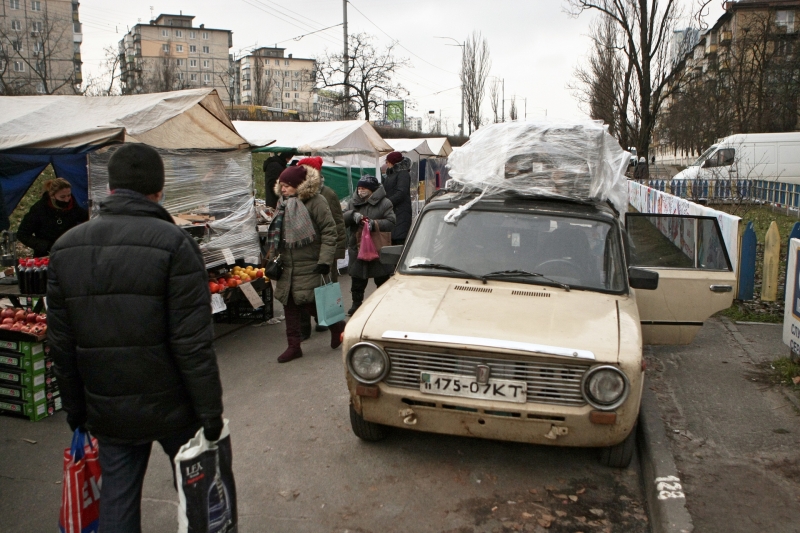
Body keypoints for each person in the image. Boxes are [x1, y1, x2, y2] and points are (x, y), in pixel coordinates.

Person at [47, 144, 225, 533]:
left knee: (117, 498)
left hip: (107, 404)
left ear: (111, 188)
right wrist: (210, 414)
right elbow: (193, 342)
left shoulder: (66, 248)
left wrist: (75, 409)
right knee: (196, 495)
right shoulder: (176, 244)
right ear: (158, 190)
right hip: (174, 405)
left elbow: (60, 344)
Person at [267, 164, 344, 363]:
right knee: (289, 304)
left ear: (298, 185)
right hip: (287, 264)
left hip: (310, 262)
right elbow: (278, 231)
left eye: (286, 185)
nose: (282, 189)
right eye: (281, 185)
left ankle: (337, 328)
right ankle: (294, 346)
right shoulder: (283, 202)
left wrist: (325, 260)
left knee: (311, 303)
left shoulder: (316, 201)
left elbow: (329, 231)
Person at [294, 157, 347, 337]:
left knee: (325, 286)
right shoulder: (294, 193)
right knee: (302, 289)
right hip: (303, 252)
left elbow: (337, 224)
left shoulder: (327, 194)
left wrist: (336, 252)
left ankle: (327, 320)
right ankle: (303, 326)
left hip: (324, 249)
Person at [343, 175, 396, 315]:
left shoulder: (385, 203)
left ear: (372, 189)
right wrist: (352, 215)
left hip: (377, 245)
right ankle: (356, 304)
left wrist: (374, 224)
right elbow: (342, 218)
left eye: (364, 188)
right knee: (357, 278)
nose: (360, 191)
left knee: (382, 278)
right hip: (357, 244)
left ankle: (383, 304)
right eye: (359, 188)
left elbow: (391, 222)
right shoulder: (353, 202)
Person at [17, 178, 88, 257]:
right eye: (62, 197)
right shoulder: (39, 209)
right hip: (46, 255)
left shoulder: (73, 206)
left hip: (69, 252)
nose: (67, 200)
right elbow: (22, 234)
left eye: (69, 195)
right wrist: (46, 246)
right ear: (52, 195)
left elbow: (86, 216)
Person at [383, 151, 412, 245]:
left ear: (393, 162)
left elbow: (401, 192)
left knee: (399, 240)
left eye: (387, 162)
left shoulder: (403, 174)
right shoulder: (390, 175)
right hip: (393, 211)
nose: (386, 164)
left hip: (401, 212)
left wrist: (386, 203)